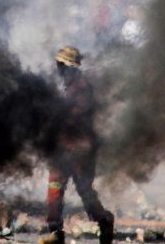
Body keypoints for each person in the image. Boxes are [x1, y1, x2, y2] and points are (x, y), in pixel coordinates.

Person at [40, 46, 114, 244]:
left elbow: (73, 118)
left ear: (72, 67)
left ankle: (105, 221)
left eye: (62, 65)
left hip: (80, 150)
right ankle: (55, 232)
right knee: (54, 191)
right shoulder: (67, 87)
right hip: (61, 150)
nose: (59, 70)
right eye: (58, 65)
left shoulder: (81, 89)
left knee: (85, 193)